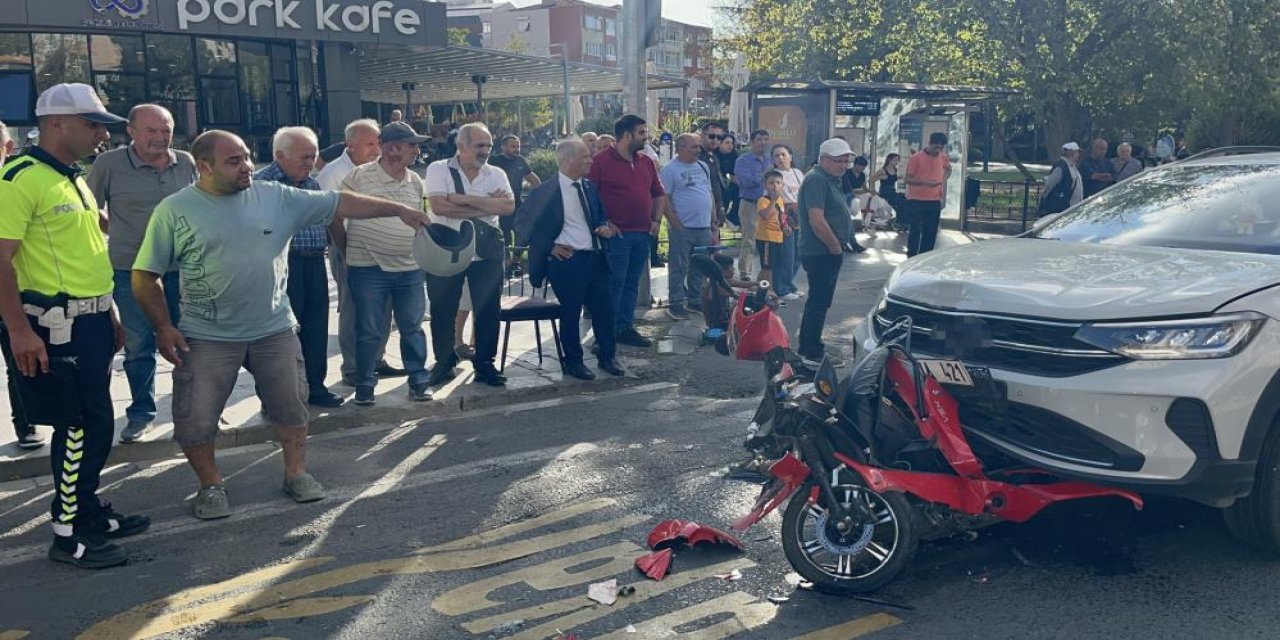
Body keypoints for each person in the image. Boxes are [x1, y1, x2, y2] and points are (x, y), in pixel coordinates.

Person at [131, 130, 433, 521]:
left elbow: (340, 202)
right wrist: (163, 326)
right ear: (203, 167)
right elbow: (144, 275)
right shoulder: (175, 210)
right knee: (195, 419)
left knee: (292, 409)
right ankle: (210, 485)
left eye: (246, 157)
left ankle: (296, 473)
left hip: (273, 329)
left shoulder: (276, 196)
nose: (247, 168)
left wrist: (398, 209)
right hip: (206, 335)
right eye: (234, 161)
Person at [0, 83, 149, 568]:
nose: (100, 133)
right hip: (51, 326)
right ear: (56, 123)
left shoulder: (72, 176)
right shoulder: (19, 177)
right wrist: (19, 330)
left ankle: (86, 509)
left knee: (97, 423)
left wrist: (109, 310)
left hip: (91, 320)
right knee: (77, 426)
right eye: (92, 124)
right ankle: (68, 534)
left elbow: (83, 254)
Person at [86, 104, 196, 443]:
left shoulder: (185, 162)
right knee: (139, 344)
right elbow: (88, 209)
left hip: (182, 269)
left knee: (192, 342)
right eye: (152, 131)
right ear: (131, 132)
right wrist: (117, 231)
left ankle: (196, 410)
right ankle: (141, 414)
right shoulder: (109, 164)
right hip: (131, 270)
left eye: (166, 131)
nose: (161, 138)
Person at [332, 122, 435, 405]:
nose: (417, 150)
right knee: (368, 331)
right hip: (368, 269)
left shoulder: (415, 180)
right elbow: (335, 213)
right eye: (412, 144)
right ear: (392, 148)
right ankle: (365, 386)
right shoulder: (359, 177)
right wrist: (346, 250)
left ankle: (419, 382)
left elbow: (424, 217)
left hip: (410, 268)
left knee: (412, 327)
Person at [514, 138, 626, 381]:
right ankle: (573, 361)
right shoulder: (544, 191)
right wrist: (549, 247)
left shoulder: (589, 187)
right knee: (570, 313)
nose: (591, 159)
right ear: (567, 160)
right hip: (568, 262)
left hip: (595, 258)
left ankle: (608, 356)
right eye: (585, 156)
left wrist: (605, 227)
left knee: (605, 310)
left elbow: (601, 217)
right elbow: (523, 224)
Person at [253, 127, 344, 408]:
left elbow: (327, 217)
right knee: (280, 334)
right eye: (304, 157)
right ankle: (275, 397)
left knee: (315, 328)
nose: (310, 163)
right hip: (280, 265)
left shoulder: (312, 184)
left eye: (313, 157)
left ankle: (315, 387)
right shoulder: (260, 185)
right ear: (279, 155)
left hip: (314, 262)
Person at [424, 122, 515, 387]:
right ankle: (443, 363)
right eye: (480, 145)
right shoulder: (438, 169)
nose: (486, 150)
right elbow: (440, 207)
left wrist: (463, 200)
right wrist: (488, 206)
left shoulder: (496, 172)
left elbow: (509, 206)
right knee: (443, 309)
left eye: (488, 145)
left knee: (488, 310)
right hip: (448, 249)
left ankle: (485, 364)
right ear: (461, 146)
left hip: (486, 251)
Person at [315, 119, 404, 387]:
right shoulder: (332, 173)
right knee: (354, 309)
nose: (376, 149)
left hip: (383, 249)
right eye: (370, 144)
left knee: (384, 306)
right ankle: (352, 368)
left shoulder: (380, 169)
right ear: (350, 144)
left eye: (378, 142)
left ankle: (377, 360)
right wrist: (346, 252)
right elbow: (330, 219)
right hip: (349, 248)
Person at [587, 115, 667, 349]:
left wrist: (656, 220)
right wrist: (604, 223)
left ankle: (624, 327)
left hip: (642, 233)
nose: (646, 137)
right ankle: (605, 332)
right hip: (616, 237)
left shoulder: (646, 161)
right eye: (642, 133)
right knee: (613, 284)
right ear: (627, 135)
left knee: (632, 283)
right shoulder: (600, 161)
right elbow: (591, 196)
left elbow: (658, 193)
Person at [0, 120, 42, 450]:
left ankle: (25, 423)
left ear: (7, 148)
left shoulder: (20, 183)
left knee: (18, 359)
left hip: (12, 288)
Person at [797, 138, 856, 369]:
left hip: (826, 251)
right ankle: (809, 350)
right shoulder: (817, 180)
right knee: (819, 301)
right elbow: (816, 220)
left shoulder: (829, 179)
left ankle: (813, 343)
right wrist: (834, 247)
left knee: (821, 301)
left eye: (845, 161)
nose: (843, 165)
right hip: (821, 252)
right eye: (838, 161)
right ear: (823, 160)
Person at [659, 133, 716, 320]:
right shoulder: (669, 170)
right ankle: (675, 302)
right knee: (679, 266)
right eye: (694, 147)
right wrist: (675, 222)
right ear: (681, 148)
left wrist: (713, 222)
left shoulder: (703, 166)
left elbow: (709, 193)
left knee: (700, 266)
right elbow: (664, 198)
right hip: (683, 227)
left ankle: (694, 299)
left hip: (704, 226)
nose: (698, 150)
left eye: (699, 146)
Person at [488, 134, 542, 275]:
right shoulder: (494, 161)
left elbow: (534, 181)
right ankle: (505, 263)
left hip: (518, 205)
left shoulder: (520, 161)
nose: (516, 149)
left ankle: (515, 262)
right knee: (504, 236)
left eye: (518, 146)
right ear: (503, 147)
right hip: (499, 206)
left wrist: (536, 197)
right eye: (513, 146)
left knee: (522, 234)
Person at [903, 132, 952, 257]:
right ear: (930, 144)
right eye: (936, 147)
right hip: (916, 199)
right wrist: (924, 182)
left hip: (934, 199)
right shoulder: (916, 158)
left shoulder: (942, 157)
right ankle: (912, 255)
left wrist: (942, 180)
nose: (938, 150)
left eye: (941, 148)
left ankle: (925, 255)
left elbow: (948, 168)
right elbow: (907, 179)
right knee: (915, 230)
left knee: (930, 231)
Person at [733, 130, 772, 280]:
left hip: (768, 204)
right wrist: (763, 175)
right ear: (752, 141)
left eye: (765, 139)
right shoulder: (743, 161)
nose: (762, 142)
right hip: (750, 203)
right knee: (749, 238)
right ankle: (745, 272)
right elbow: (746, 182)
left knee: (768, 238)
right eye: (759, 139)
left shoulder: (770, 159)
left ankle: (767, 270)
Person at [771, 144, 805, 301]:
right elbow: (773, 198)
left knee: (798, 254)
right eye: (777, 156)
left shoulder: (797, 173)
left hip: (800, 215)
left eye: (783, 154)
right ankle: (781, 288)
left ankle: (789, 284)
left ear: (790, 156)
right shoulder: (774, 176)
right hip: (784, 216)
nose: (781, 158)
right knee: (786, 254)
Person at [755, 170, 788, 292]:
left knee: (772, 267)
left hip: (777, 237)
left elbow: (781, 217)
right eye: (771, 183)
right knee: (767, 267)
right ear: (765, 185)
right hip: (766, 238)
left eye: (778, 183)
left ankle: (759, 289)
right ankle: (767, 292)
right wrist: (773, 200)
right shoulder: (763, 200)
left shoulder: (781, 200)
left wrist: (785, 227)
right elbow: (765, 215)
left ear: (782, 185)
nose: (775, 186)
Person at [1039, 141, 1084, 216]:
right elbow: (1048, 187)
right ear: (1071, 152)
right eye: (1077, 152)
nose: (1078, 154)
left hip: (1071, 208)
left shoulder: (1073, 167)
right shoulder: (1061, 168)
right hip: (1061, 209)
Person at [840, 156, 870, 253]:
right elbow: (848, 188)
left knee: (846, 221)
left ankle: (848, 243)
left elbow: (863, 188)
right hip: (846, 195)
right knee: (846, 221)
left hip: (850, 195)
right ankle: (849, 243)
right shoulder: (846, 173)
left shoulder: (861, 175)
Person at [716, 134, 740, 231]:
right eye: (727, 143)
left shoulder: (733, 154)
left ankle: (732, 218)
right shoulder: (714, 154)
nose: (730, 145)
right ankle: (719, 219)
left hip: (725, 181)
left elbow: (734, 175)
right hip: (714, 182)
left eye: (732, 143)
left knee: (737, 191)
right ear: (720, 144)